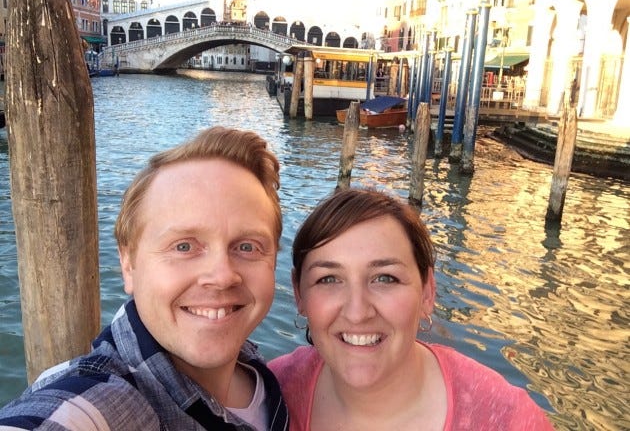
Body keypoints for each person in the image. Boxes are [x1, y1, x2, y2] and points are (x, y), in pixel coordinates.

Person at [0, 126, 289, 430]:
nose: (221, 276)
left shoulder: (260, 376)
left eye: (247, 246)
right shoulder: (105, 399)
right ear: (128, 264)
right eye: (184, 246)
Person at [269, 188, 554, 430]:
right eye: (328, 279)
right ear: (299, 294)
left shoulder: (505, 420)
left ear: (428, 291)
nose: (357, 312)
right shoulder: (270, 395)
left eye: (385, 278)